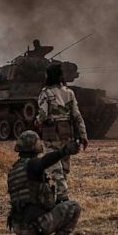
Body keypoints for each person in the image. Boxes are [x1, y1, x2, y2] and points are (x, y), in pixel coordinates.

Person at [7, 130, 82, 235]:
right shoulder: (32, 165)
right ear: (35, 146)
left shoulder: (14, 170)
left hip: (18, 224)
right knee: (74, 207)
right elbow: (44, 162)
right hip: (35, 225)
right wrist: (63, 151)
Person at [36, 61, 88, 202]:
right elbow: (77, 116)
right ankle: (61, 193)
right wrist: (83, 135)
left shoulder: (45, 93)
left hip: (51, 134)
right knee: (64, 167)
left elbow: (42, 115)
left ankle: (62, 196)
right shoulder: (69, 93)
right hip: (67, 133)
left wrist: (37, 122)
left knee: (54, 166)